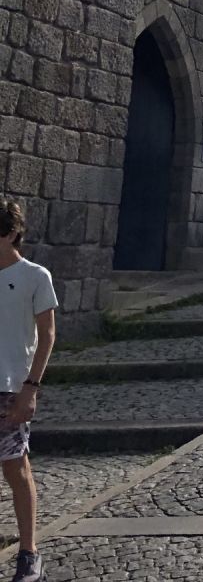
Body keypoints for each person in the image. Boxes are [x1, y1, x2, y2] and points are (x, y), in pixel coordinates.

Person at [0, 202, 56, 582]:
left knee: (15, 469)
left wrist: (30, 389)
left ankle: (28, 553)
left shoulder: (35, 276)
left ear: (9, 234)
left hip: (10, 387)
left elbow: (47, 335)